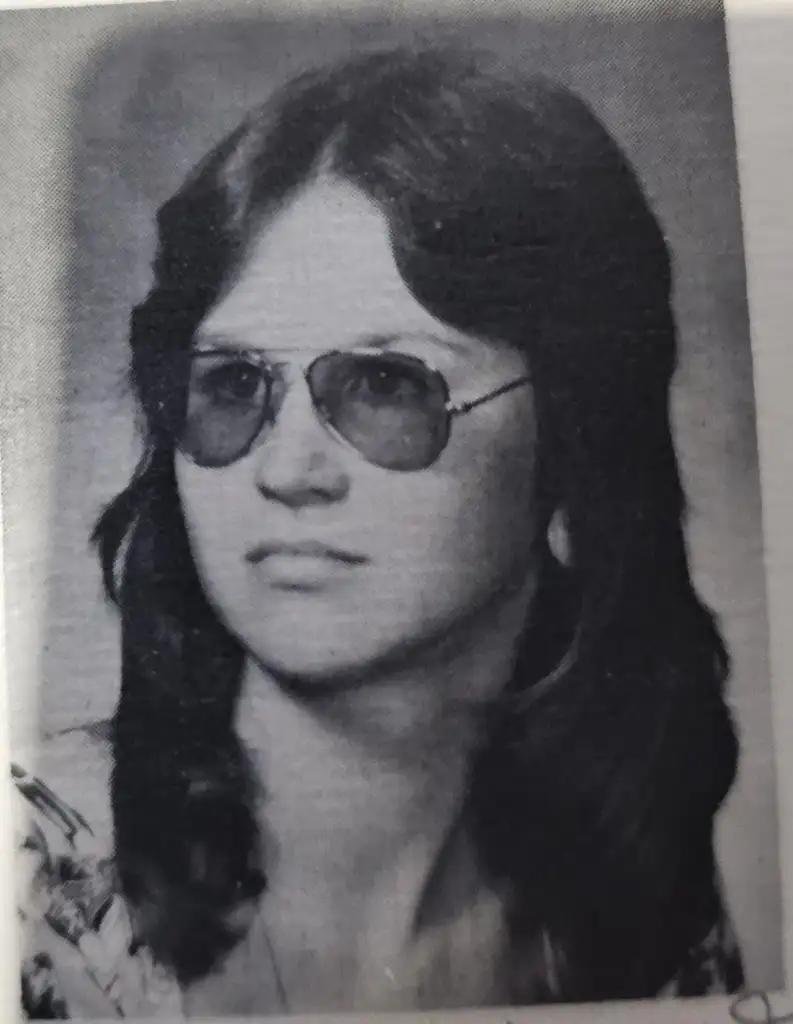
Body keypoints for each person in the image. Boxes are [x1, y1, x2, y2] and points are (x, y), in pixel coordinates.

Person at [17, 42, 745, 1017]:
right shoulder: (28, 883)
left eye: (386, 385)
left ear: (576, 430)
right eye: (232, 386)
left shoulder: (647, 911)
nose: (288, 469)